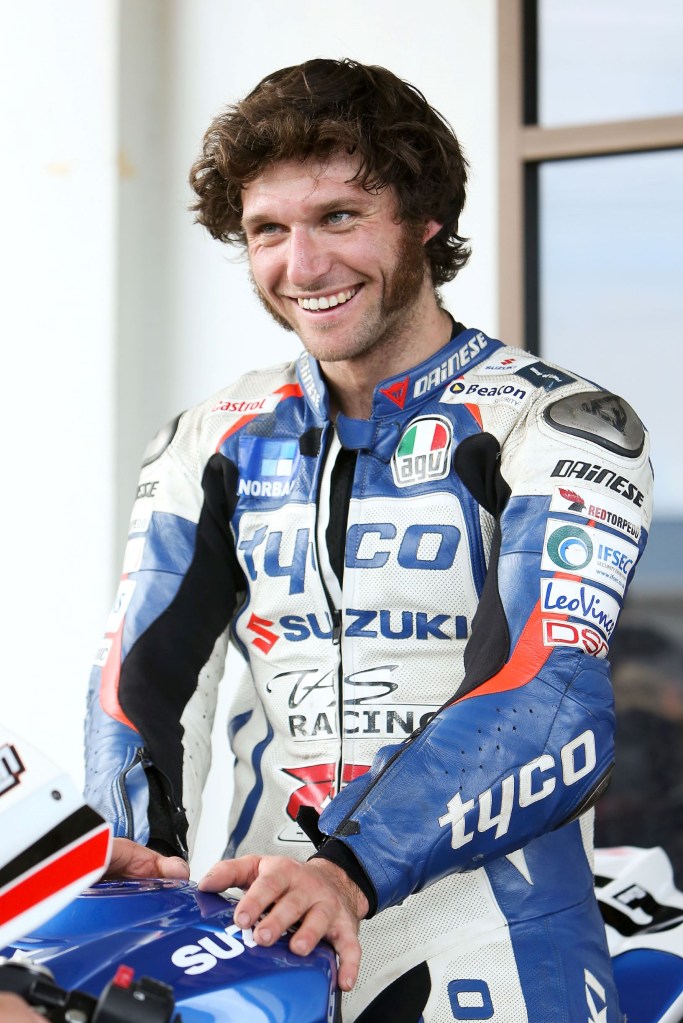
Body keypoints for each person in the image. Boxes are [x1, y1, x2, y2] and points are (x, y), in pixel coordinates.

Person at [84, 58, 653, 1021]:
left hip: (489, 929)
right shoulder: (212, 436)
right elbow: (138, 673)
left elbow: (551, 693)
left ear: (424, 220)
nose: (302, 267)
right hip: (262, 922)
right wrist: (140, 852)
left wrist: (348, 871)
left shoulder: (558, 423)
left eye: (340, 217)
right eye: (269, 230)